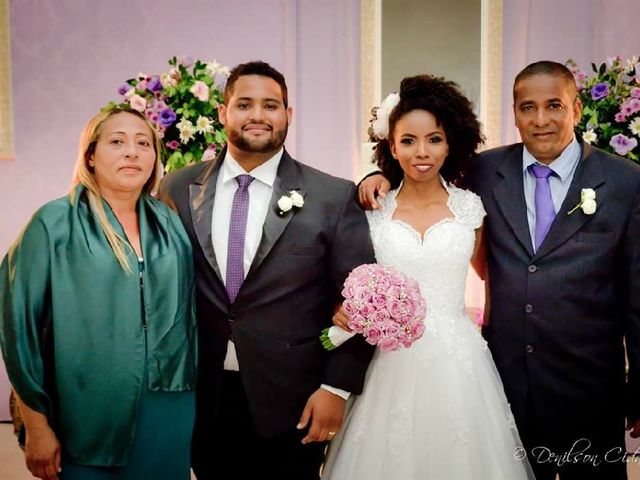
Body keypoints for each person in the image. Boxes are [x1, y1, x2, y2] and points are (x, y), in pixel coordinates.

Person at [359, 61, 640, 479]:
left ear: (577, 109)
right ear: (514, 113)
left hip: (590, 385)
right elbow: (422, 171)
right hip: (506, 381)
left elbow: (637, 293)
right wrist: (375, 175)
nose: (540, 120)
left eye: (554, 106)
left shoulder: (625, 181)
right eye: (528, 107)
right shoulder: (485, 171)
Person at [158, 61, 375, 480]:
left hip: (295, 398)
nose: (258, 115)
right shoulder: (175, 190)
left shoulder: (332, 196)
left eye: (271, 105)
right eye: (244, 104)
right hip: (204, 395)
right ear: (222, 113)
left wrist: (335, 388)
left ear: (288, 116)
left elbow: (361, 302)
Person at [321, 74, 534, 479]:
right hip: (385, 363)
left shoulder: (472, 208)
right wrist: (341, 308)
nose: (422, 152)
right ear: (391, 146)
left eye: (434, 139)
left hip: (460, 362)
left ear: (451, 142)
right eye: (408, 141)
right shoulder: (370, 207)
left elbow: (493, 275)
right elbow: (340, 277)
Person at [0, 108, 197, 480]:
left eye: (143, 144)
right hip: (86, 409)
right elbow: (17, 327)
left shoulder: (170, 222)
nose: (132, 152)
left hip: (169, 403)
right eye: (117, 142)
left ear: (155, 157)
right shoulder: (53, 223)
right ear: (91, 155)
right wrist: (37, 426)